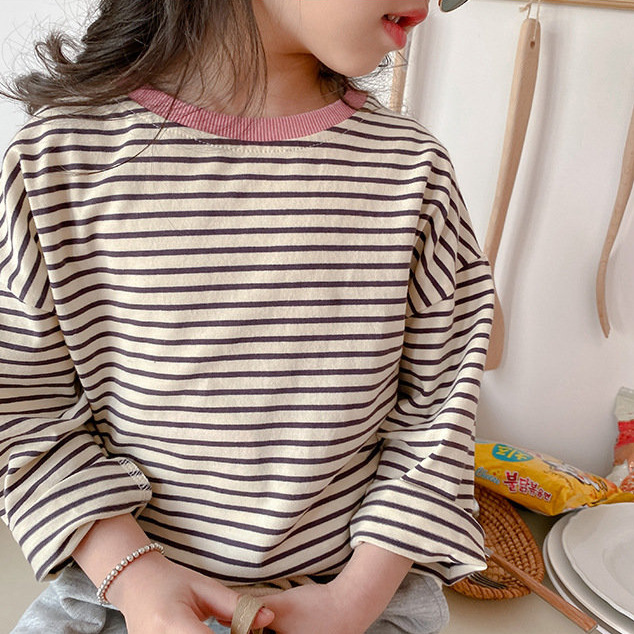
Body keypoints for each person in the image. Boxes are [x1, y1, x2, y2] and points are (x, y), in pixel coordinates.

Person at [0, 1, 494, 632]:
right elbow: (24, 412)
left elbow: (438, 419)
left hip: (356, 604)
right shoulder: (59, 158)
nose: (430, 6)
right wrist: (136, 578)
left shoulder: (415, 173)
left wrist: (350, 603)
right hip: (114, 594)